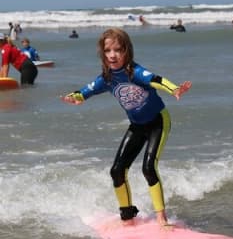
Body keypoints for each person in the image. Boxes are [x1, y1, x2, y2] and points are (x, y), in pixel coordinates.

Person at [62, 28, 192, 226]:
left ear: (127, 51)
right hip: (137, 125)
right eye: (108, 51)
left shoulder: (136, 72)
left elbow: (156, 80)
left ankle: (161, 219)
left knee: (148, 168)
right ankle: (127, 217)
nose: (112, 55)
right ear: (102, 53)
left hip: (158, 121)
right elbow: (85, 91)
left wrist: (174, 89)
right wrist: (74, 98)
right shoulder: (107, 79)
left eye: (118, 50)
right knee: (117, 171)